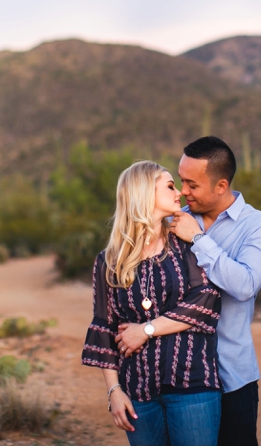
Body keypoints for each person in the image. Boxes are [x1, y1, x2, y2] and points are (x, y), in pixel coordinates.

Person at [118, 136, 261, 446]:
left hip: (229, 374)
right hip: (176, 377)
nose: (183, 191)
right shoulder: (170, 220)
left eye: (193, 184)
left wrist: (200, 240)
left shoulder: (260, 228)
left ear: (221, 186)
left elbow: (244, 286)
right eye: (180, 181)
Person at [81, 160, 223, 446]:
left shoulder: (187, 245)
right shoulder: (109, 261)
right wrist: (114, 391)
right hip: (137, 391)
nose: (179, 193)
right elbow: (105, 327)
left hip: (192, 385)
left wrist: (145, 330)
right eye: (170, 186)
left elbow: (206, 301)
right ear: (144, 193)